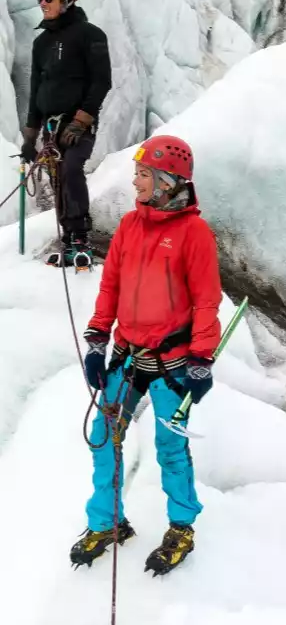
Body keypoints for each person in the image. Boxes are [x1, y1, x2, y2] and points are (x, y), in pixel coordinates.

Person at [69, 135, 222, 576]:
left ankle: (182, 525)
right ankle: (107, 522)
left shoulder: (194, 234)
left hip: (172, 362)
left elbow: (205, 301)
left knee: (170, 446)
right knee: (103, 436)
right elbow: (110, 287)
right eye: (137, 173)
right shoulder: (130, 227)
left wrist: (202, 359)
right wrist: (98, 339)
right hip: (127, 356)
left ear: (166, 182)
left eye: (142, 174)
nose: (134, 181)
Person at [21, 0, 112, 269]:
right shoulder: (41, 43)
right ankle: (68, 237)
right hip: (50, 126)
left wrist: (81, 121)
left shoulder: (91, 35)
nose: (42, 4)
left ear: (67, 0)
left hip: (77, 124)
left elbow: (101, 81)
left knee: (72, 169)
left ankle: (81, 237)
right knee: (58, 178)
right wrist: (29, 137)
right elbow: (37, 89)